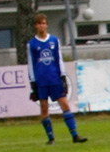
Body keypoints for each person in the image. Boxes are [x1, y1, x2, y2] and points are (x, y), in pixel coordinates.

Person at [27, 14, 88, 145]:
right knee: (44, 108)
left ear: (47, 25)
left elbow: (59, 58)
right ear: (35, 26)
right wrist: (33, 82)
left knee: (65, 105)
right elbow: (31, 63)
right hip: (41, 80)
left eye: (43, 23)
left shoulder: (54, 40)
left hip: (54, 78)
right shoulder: (32, 44)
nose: (41, 25)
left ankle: (75, 135)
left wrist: (63, 76)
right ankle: (51, 138)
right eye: (39, 23)